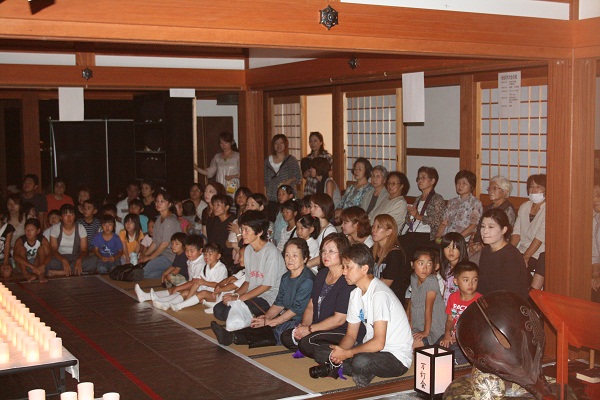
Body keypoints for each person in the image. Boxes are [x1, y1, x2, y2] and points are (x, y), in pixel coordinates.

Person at [312, 243, 412, 387]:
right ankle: (357, 370)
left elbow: (379, 343)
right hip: (370, 350)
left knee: (361, 361)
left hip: (395, 357)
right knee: (321, 352)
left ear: (364, 269)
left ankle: (356, 369)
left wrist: (347, 354)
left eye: (348, 267)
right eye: (343, 267)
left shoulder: (379, 294)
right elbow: (351, 336)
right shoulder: (355, 294)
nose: (344, 272)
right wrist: (340, 353)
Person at [212, 238, 314, 346]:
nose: (290, 259)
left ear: (305, 258)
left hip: (302, 321)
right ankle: (231, 336)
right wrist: (267, 317)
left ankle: (233, 337)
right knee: (261, 323)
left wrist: (272, 321)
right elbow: (279, 303)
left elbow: (296, 309)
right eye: (287, 255)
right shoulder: (285, 277)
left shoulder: (307, 281)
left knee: (281, 331)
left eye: (295, 255)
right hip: (287, 316)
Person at [280, 233, 357, 359]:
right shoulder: (322, 274)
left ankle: (336, 352)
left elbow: (339, 320)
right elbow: (311, 306)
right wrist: (305, 326)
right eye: (323, 251)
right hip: (318, 327)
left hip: (339, 330)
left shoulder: (347, 280)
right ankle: (318, 348)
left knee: (306, 343)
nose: (325, 255)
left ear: (343, 253)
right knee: (287, 336)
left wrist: (309, 330)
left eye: (331, 251)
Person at [212, 210, 286, 322]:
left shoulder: (271, 252)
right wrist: (235, 295)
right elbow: (248, 280)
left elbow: (266, 286)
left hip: (269, 298)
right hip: (252, 295)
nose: (243, 233)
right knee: (218, 309)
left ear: (259, 232)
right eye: (242, 229)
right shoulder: (248, 250)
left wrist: (239, 299)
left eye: (247, 230)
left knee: (229, 312)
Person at [478, 208, 530, 300]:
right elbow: (482, 285)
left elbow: (509, 294)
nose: (485, 231)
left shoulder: (511, 256)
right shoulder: (486, 251)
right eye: (482, 226)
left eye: (491, 227)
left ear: (503, 230)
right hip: (489, 301)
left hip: (509, 303)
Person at [439, 261, 482, 365]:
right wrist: (447, 334)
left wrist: (460, 338)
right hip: (454, 336)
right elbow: (450, 320)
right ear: (456, 281)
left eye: (474, 280)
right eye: (466, 280)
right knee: (436, 348)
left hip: (469, 341)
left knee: (456, 357)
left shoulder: (480, 300)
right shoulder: (453, 297)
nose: (470, 284)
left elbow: (479, 328)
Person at [401, 166, 446, 261]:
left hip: (426, 235)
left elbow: (437, 221)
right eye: (418, 178)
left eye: (423, 177)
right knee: (397, 243)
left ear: (432, 181)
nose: (419, 181)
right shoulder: (418, 199)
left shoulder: (437, 199)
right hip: (412, 233)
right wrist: (409, 217)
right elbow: (409, 221)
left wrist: (418, 216)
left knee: (409, 248)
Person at [468, 175, 516, 258]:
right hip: (480, 242)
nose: (490, 191)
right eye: (489, 188)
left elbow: (505, 235)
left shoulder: (508, 209)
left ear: (505, 192)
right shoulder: (489, 207)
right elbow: (479, 227)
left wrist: (481, 245)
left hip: (494, 246)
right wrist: (472, 242)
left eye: (494, 188)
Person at [135, 233, 189, 304]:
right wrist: (164, 273)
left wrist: (167, 276)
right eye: (172, 244)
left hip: (185, 279)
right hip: (183, 280)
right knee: (169, 283)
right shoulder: (178, 255)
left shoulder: (183, 256)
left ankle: (154, 297)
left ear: (184, 246)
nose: (173, 246)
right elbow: (173, 266)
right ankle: (146, 296)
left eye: (176, 244)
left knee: (170, 279)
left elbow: (176, 270)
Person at [138, 191, 182, 278]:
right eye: (157, 201)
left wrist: (149, 257)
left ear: (169, 204)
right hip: (161, 254)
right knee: (145, 271)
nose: (158, 203)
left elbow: (165, 244)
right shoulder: (158, 219)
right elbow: (155, 242)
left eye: (162, 201)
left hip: (170, 256)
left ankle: (173, 271)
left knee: (143, 272)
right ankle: (168, 273)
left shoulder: (169, 221)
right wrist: (145, 255)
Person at [409, 247, 446, 349]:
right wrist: (410, 325)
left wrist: (426, 332)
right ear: (412, 264)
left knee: (413, 346)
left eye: (429, 264)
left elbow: (428, 309)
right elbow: (413, 303)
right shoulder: (413, 277)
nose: (425, 268)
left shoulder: (431, 280)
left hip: (434, 327)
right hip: (418, 324)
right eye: (421, 263)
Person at [511, 174, 546, 279]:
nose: (534, 190)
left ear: (546, 189)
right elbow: (516, 232)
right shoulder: (524, 206)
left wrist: (526, 256)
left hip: (538, 253)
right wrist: (509, 250)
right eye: (531, 187)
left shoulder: (548, 209)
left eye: (538, 187)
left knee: (517, 269)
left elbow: (540, 237)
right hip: (521, 249)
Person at [47, 204, 98, 276]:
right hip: (59, 258)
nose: (69, 218)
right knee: (49, 262)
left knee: (94, 260)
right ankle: (75, 272)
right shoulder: (55, 228)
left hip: (76, 257)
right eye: (66, 215)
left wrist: (79, 260)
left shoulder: (80, 228)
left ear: (75, 216)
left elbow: (84, 250)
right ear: (61, 217)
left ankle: (62, 272)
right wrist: (64, 260)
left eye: (72, 214)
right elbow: (54, 250)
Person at [371, 214, 410, 307]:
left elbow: (387, 283)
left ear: (389, 231)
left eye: (379, 227)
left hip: (391, 301)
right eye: (373, 226)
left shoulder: (395, 254)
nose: (374, 230)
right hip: (377, 297)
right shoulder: (373, 250)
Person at [435, 170, 482, 242]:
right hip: (447, 239)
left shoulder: (475, 203)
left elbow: (473, 225)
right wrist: (438, 236)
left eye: (464, 183)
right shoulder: (452, 202)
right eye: (458, 183)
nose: (460, 186)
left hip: (462, 240)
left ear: (471, 186)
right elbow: (444, 222)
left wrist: (457, 239)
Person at [264, 134, 302, 221]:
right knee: (272, 219)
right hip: (272, 196)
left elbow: (298, 176)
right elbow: (265, 180)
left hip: (287, 197)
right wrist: (265, 195)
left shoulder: (291, 160)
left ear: (285, 145)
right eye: (276, 143)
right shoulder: (267, 161)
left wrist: (289, 181)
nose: (279, 145)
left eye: (281, 143)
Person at [194, 131, 240, 198]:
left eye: (226, 143)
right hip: (220, 185)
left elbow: (243, 173)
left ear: (231, 142)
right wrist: (196, 168)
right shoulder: (217, 157)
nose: (224, 145)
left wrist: (233, 176)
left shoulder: (237, 156)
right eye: (221, 143)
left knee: (231, 199)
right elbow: (209, 173)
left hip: (232, 184)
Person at [334, 158, 374, 222]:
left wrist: (343, 212)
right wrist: (337, 213)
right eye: (355, 169)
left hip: (355, 220)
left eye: (360, 169)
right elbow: (341, 203)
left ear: (366, 171)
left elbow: (362, 209)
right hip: (342, 218)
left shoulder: (369, 189)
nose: (356, 171)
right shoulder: (351, 187)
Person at [13, 218, 51, 282]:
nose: (28, 232)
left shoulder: (42, 240)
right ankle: (26, 274)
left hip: (37, 265)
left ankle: (41, 275)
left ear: (38, 231)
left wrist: (43, 265)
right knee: (22, 250)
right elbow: (15, 256)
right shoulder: (20, 240)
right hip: (24, 265)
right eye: (26, 229)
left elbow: (49, 254)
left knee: (41, 249)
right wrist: (31, 266)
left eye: (32, 229)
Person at [204, 194, 235, 268]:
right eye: (214, 205)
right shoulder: (213, 221)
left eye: (218, 205)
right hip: (215, 256)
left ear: (227, 207)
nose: (215, 208)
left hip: (229, 258)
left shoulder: (233, 222)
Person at [439, 232, 469, 304]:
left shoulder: (465, 270)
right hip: (446, 306)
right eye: (447, 247)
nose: (451, 251)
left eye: (455, 247)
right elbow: (445, 290)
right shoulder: (446, 267)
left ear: (461, 249)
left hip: (457, 307)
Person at [302, 132, 333, 197]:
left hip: (321, 186)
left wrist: (318, 173)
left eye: (315, 141)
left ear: (321, 142)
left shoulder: (327, 156)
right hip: (309, 187)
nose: (312, 143)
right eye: (310, 141)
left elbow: (332, 173)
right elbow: (304, 176)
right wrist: (305, 174)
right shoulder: (308, 157)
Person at [0, 212, 15, 279]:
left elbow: (7, 244)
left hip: (5, 257)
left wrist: (5, 262)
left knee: (6, 272)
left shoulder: (8, 227)